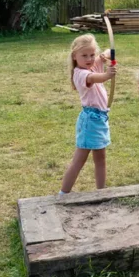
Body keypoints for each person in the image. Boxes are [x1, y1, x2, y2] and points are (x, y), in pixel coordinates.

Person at [59, 34, 115, 194]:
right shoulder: (81, 73)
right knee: (79, 160)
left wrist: (106, 54)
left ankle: (101, 191)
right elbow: (95, 78)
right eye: (84, 55)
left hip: (100, 120)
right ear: (75, 56)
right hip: (90, 120)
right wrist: (107, 75)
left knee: (101, 159)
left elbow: (107, 53)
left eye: (92, 54)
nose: (89, 58)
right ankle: (63, 194)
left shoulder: (92, 65)